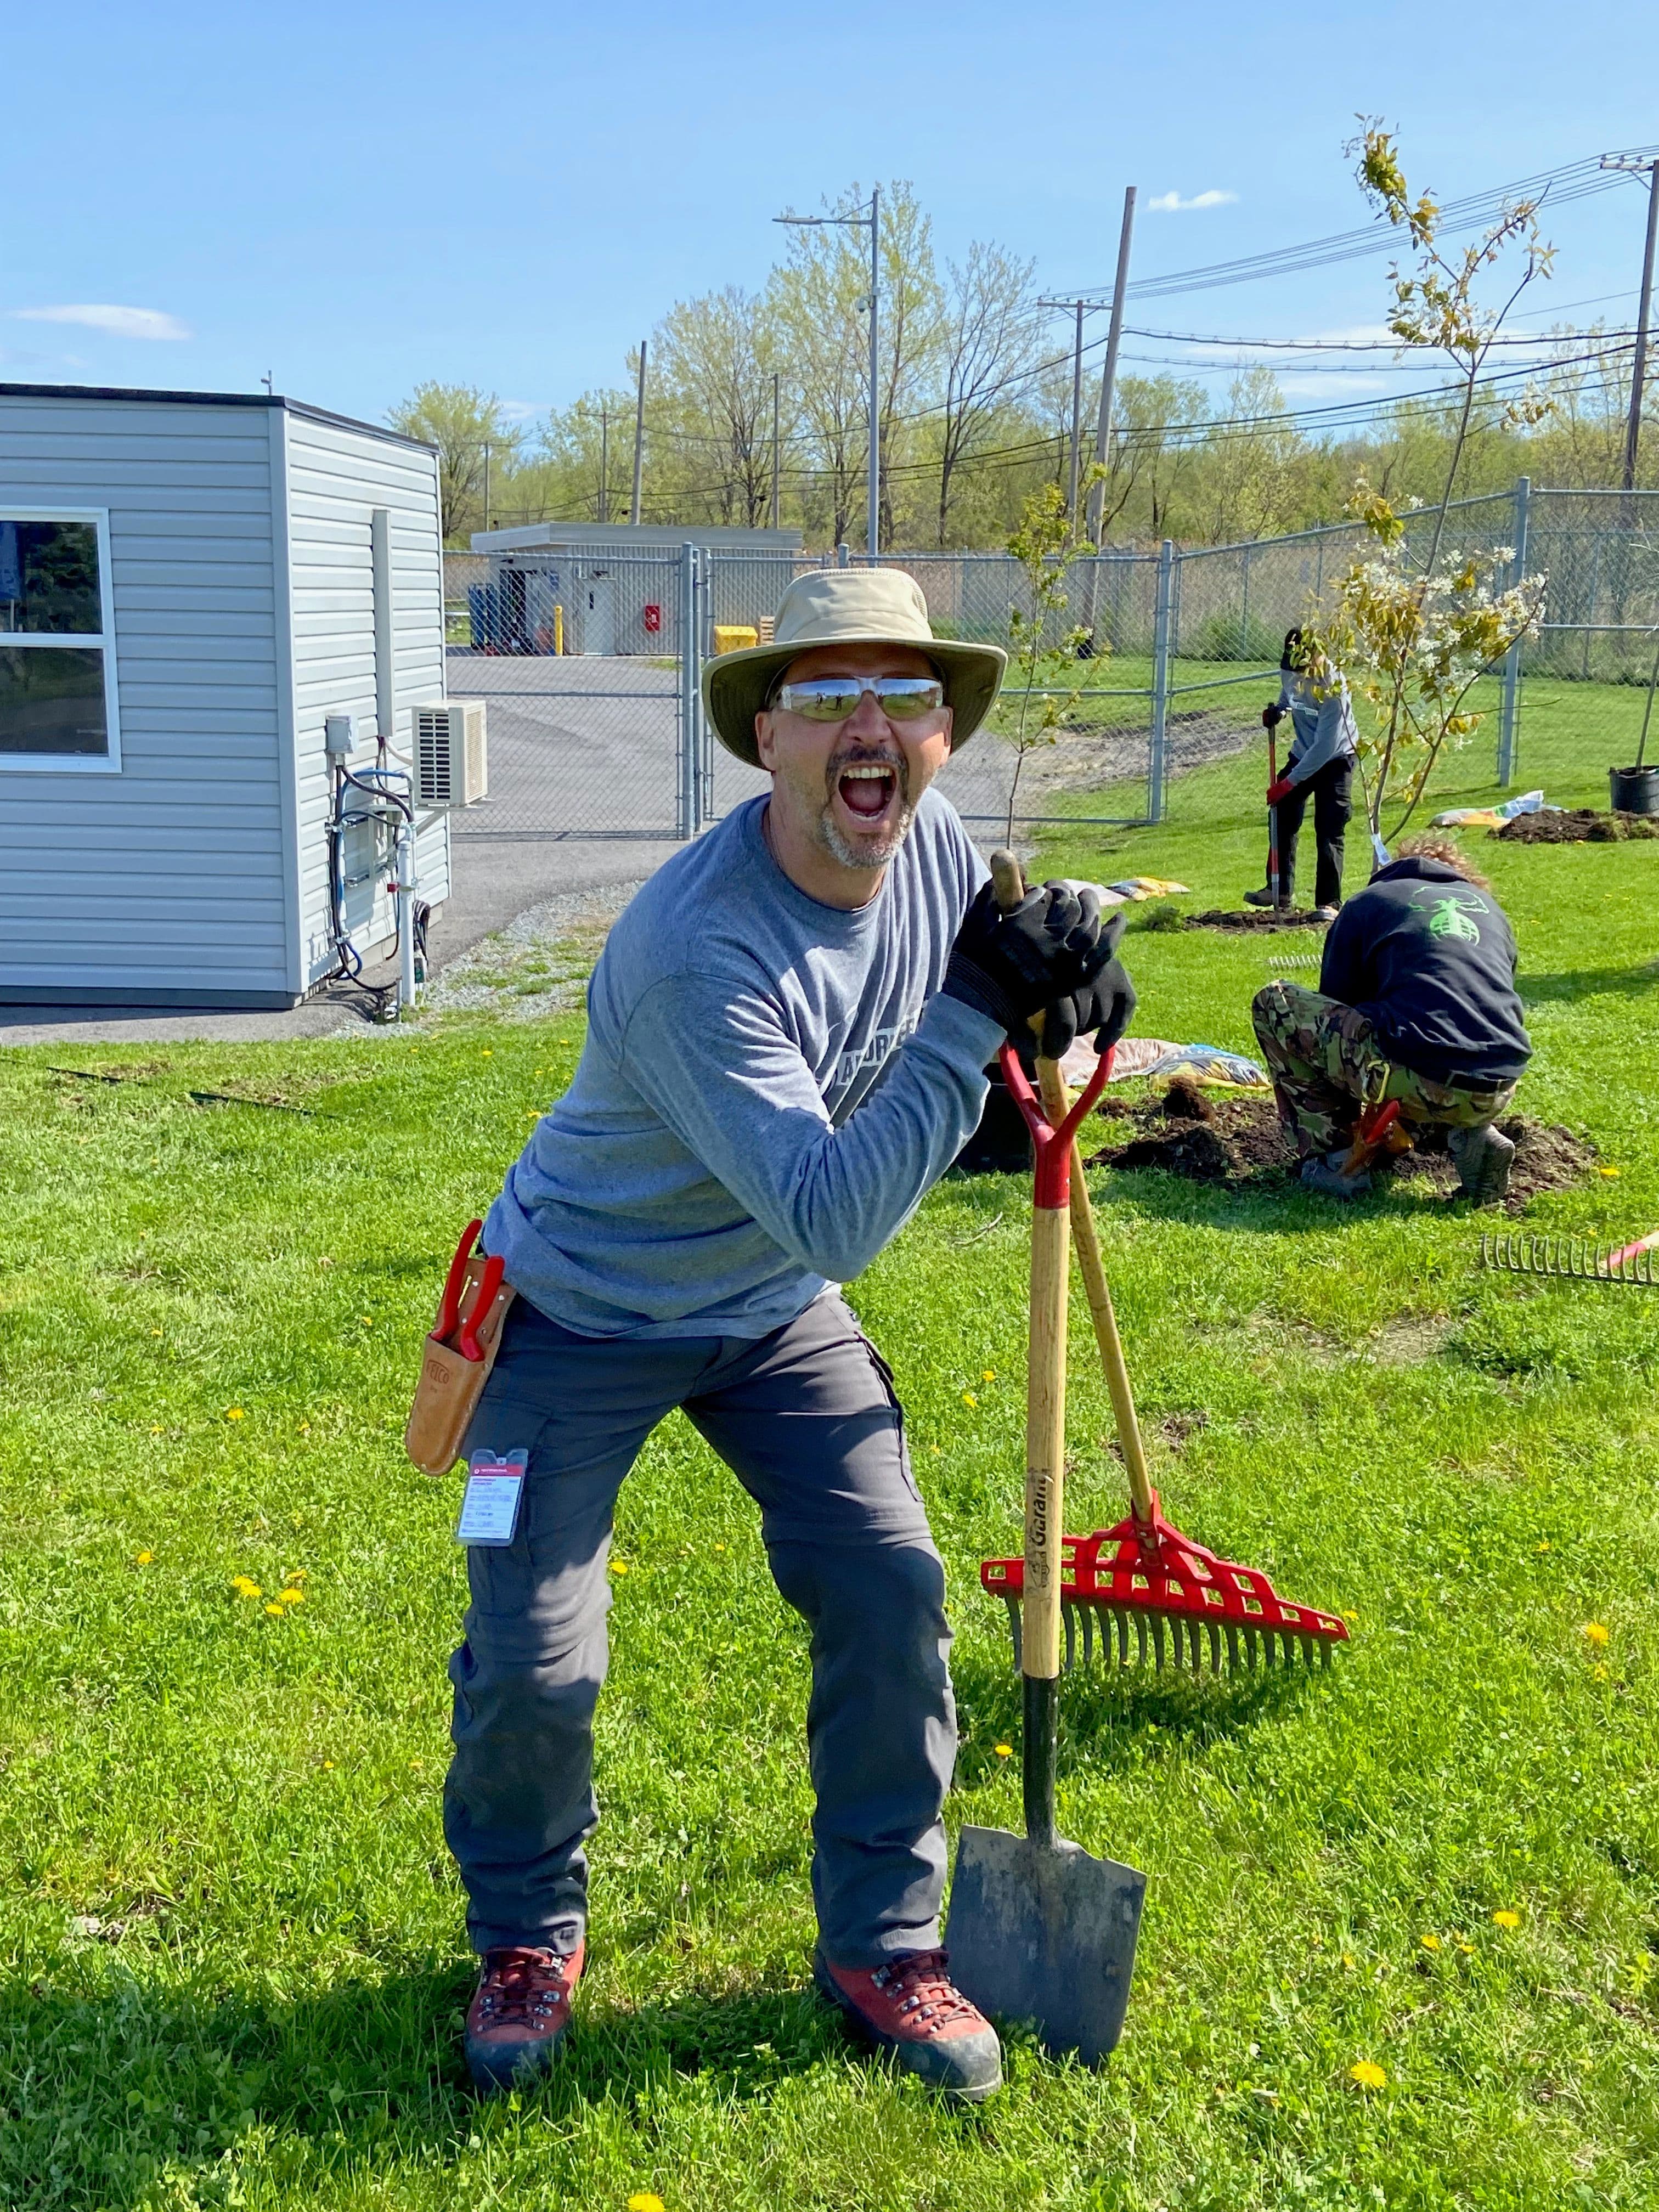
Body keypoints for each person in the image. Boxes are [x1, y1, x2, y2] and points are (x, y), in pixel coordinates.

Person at [443, 568, 1136, 2104]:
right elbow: (836, 1214)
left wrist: (1063, 993)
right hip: (578, 1304)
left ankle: (887, 1938)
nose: (869, 730)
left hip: (764, 1314)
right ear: (769, 737)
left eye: (906, 698)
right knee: (534, 1659)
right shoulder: (699, 949)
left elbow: (993, 978)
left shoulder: (938, 847)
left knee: (892, 1588)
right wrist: (968, 1019)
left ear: (945, 738)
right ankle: (521, 1933)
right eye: (828, 699)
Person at [1251, 836, 1531, 1203]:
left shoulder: (1370, 903)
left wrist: (1362, 1121)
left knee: (1276, 1003)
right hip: (1499, 1084)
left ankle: (1336, 1161)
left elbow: (1338, 1007)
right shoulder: (1490, 910)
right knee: (1431, 1040)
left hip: (1416, 1077)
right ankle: (1474, 1133)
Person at [1244, 628, 1359, 920]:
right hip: (1303, 752)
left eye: (1303, 669)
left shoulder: (1334, 685)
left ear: (1317, 659)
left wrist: (1289, 783)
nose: (1297, 677)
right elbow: (1289, 696)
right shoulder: (1290, 671)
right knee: (1281, 813)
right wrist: (1279, 712)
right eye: (1292, 669)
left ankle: (1329, 903)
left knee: (1330, 827)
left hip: (1336, 758)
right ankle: (1278, 890)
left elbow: (1324, 747)